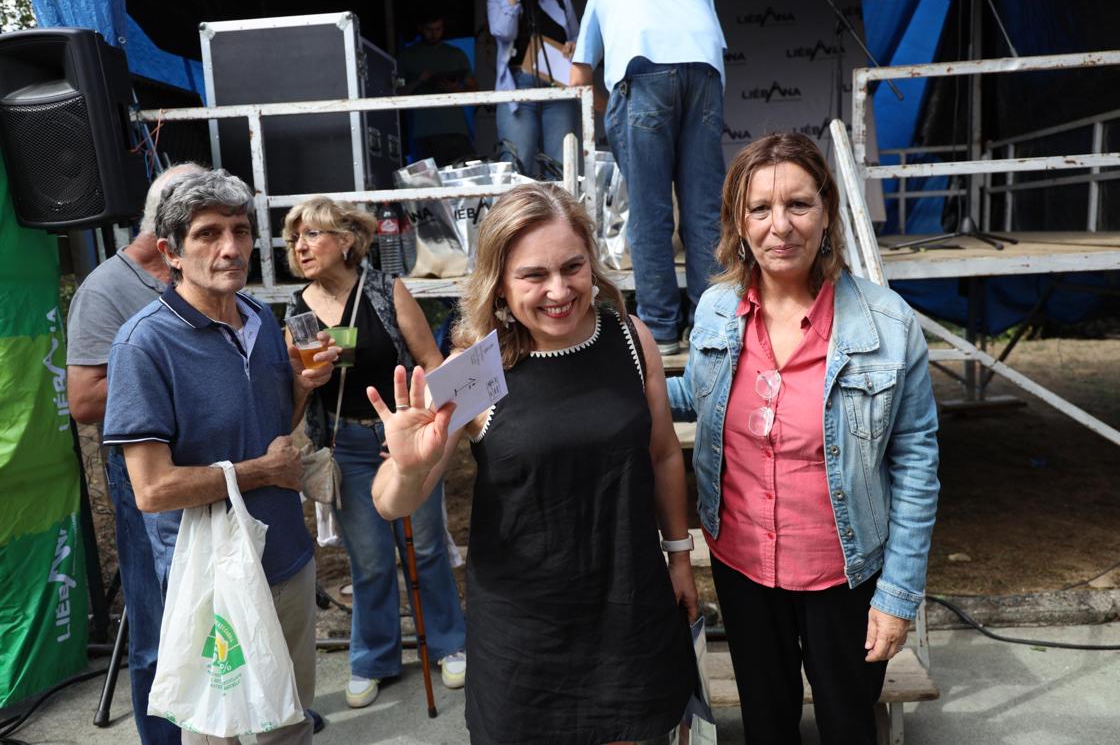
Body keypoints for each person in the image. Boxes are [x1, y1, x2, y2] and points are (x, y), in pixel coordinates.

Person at [366, 183, 698, 744]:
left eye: (573, 267)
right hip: (524, 639)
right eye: (533, 276)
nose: (558, 290)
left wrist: (680, 558)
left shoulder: (629, 337)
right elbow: (392, 502)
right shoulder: (478, 364)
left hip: (628, 616)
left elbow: (664, 452)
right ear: (498, 280)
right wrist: (406, 466)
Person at [667, 133, 940, 743]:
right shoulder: (715, 309)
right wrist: (613, 383)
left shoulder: (886, 323)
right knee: (766, 724)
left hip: (842, 571)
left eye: (798, 205)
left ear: (828, 212)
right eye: (759, 210)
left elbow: (917, 461)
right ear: (739, 222)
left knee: (847, 724)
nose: (779, 227)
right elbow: (698, 393)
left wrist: (897, 595)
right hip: (742, 566)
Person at [102, 169, 338, 745]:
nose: (230, 248)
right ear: (171, 253)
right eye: (208, 234)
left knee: (289, 725)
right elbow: (151, 489)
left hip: (285, 557)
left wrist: (304, 386)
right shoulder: (143, 344)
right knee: (218, 734)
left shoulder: (258, 316)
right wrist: (261, 473)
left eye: (240, 231)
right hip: (208, 574)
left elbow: (272, 431)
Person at [281, 196, 467, 707]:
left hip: (403, 436)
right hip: (346, 445)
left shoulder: (386, 291)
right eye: (295, 238)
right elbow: (295, 401)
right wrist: (308, 379)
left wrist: (422, 425)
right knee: (369, 560)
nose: (301, 246)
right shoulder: (296, 309)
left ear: (346, 242)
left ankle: (450, 644)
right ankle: (375, 657)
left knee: (425, 546)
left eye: (313, 235)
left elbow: (431, 360)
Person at [66, 163, 204, 745]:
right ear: (168, 228)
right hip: (145, 476)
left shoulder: (194, 273)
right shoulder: (105, 289)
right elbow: (83, 401)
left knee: (220, 604)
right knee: (156, 621)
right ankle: (163, 737)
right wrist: (171, 379)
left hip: (209, 469)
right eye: (205, 227)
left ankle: (252, 714)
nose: (222, 243)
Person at [570, 0, 727, 355]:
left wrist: (612, 107)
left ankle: (660, 329)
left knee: (649, 213)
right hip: (705, 73)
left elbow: (577, 78)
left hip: (643, 72)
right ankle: (713, 325)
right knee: (705, 211)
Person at [488, 0, 579, 178]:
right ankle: (521, 207)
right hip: (517, 86)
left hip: (558, 84)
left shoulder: (561, 0)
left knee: (561, 164)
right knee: (517, 163)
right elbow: (504, 31)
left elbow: (576, 35)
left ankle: (560, 206)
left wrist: (574, 46)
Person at [397, 7, 479, 165]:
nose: (434, 33)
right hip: (422, 133)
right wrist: (420, 80)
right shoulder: (407, 56)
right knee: (426, 185)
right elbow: (396, 94)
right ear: (420, 28)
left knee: (463, 182)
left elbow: (476, 92)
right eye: (429, 29)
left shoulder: (456, 54)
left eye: (438, 29)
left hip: (456, 132)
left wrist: (455, 90)